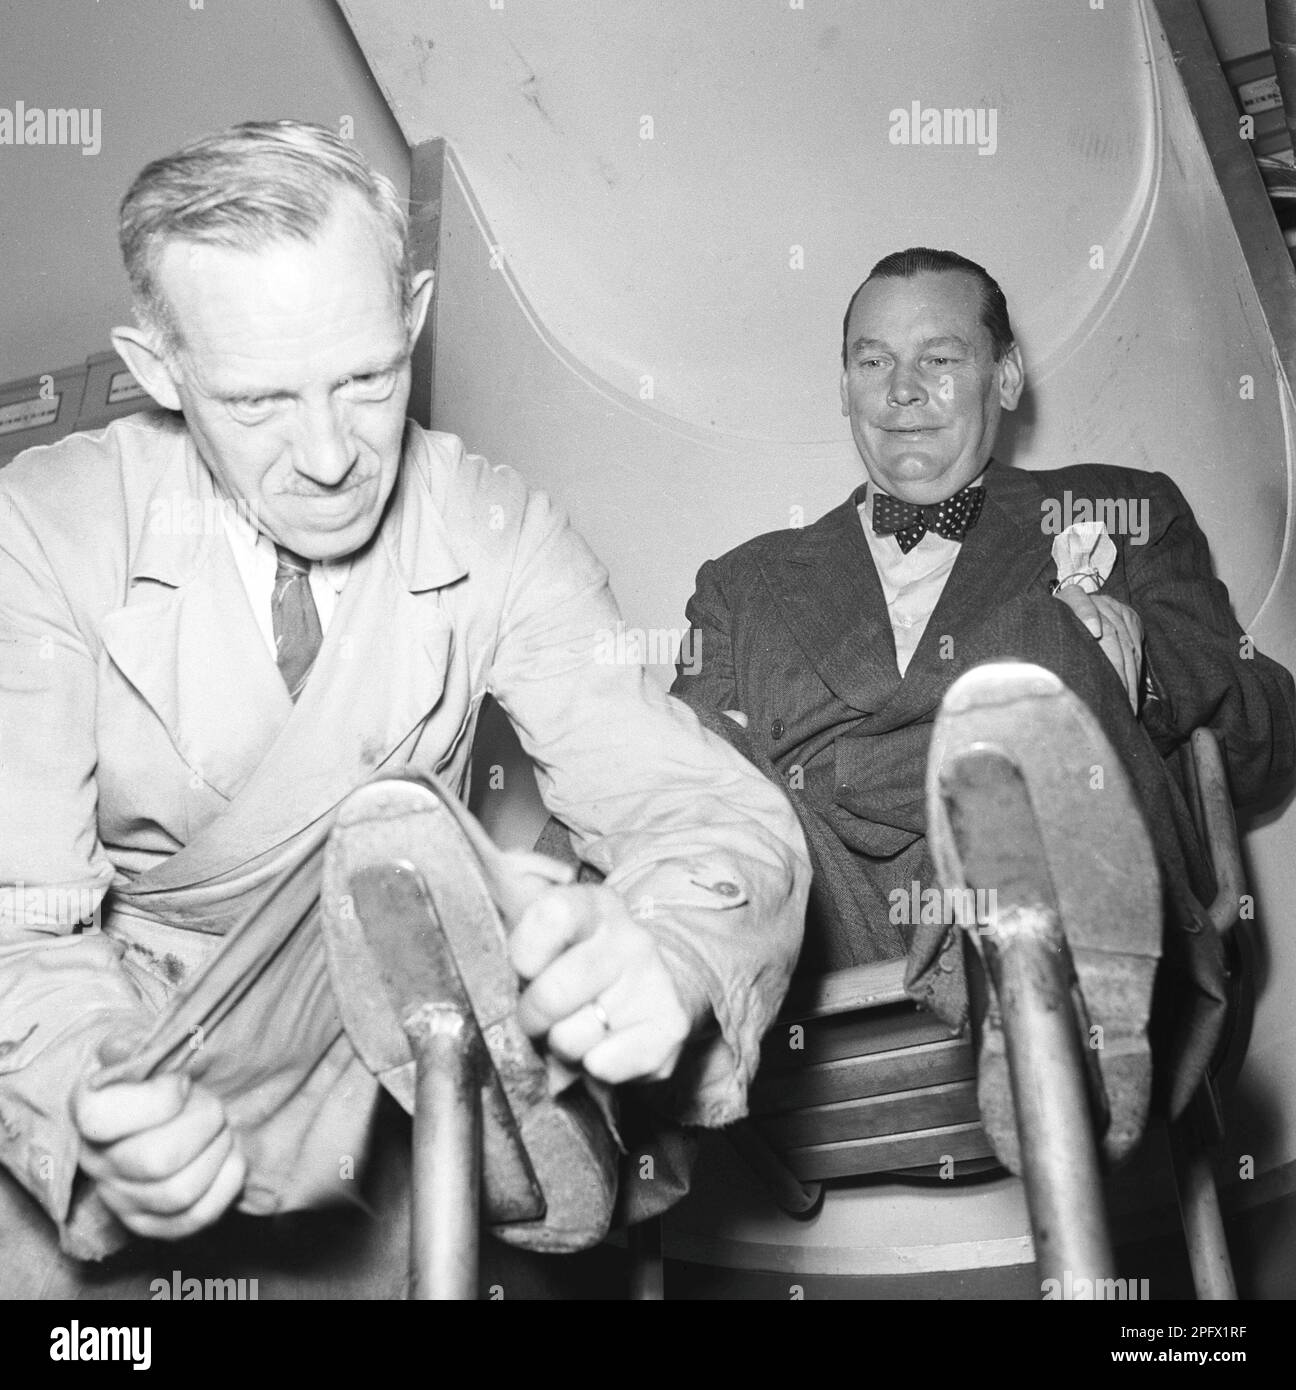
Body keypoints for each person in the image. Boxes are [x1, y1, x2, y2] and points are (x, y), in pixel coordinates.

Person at [0, 121, 809, 1272]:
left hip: (382, 1036)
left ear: (415, 314)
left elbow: (700, 808)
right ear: (156, 373)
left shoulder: (497, 527)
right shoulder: (43, 527)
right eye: (259, 403)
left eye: (370, 377)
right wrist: (92, 1086)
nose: (332, 455)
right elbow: (17, 910)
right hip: (130, 1024)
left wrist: (668, 952)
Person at [672, 246, 1295, 1120]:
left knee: (1042, 651)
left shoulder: (1126, 508)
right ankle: (548, 1093)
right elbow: (680, 800)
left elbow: (1270, 726)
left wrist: (1139, 663)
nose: (901, 390)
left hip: (1049, 907)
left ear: (1003, 379)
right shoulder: (743, 582)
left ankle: (1053, 1019)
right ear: (844, 387)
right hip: (823, 929)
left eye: (939, 357)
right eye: (873, 360)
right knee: (649, 757)